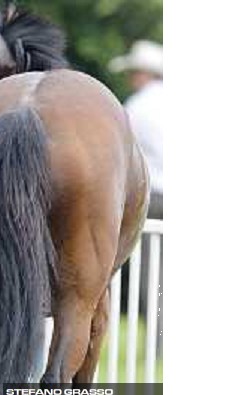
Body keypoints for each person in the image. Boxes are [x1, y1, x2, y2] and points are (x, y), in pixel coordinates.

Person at [110, 41, 163, 353]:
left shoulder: (135, 108)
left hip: (154, 196)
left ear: (143, 74)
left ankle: (159, 340)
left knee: (151, 271)